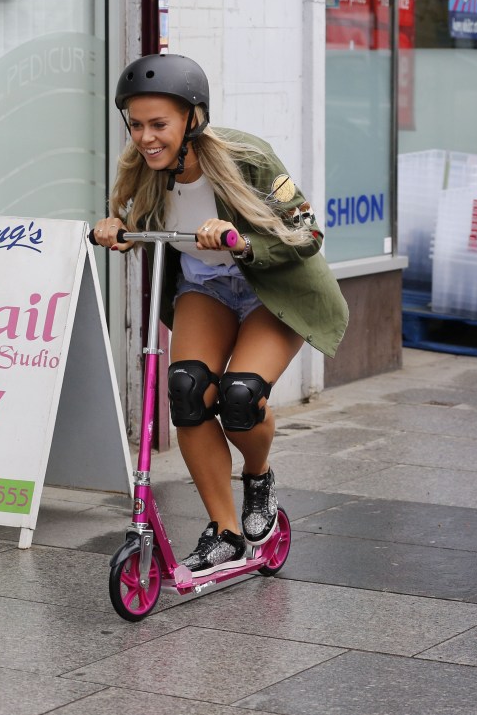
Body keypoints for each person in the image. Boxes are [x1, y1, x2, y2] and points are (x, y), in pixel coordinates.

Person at [93, 53, 349, 575]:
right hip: (205, 286)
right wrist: (112, 228)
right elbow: (128, 216)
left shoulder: (248, 157)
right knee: (188, 391)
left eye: (158, 125)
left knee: (240, 395)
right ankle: (226, 531)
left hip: (268, 286)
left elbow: (309, 232)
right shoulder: (144, 169)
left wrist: (243, 243)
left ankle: (259, 478)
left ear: (194, 117)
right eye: (136, 124)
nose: (145, 138)